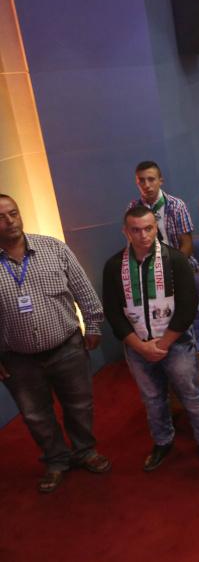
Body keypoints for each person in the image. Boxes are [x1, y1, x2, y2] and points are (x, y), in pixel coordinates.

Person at [0, 194, 110, 493]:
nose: (10, 221)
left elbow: (83, 289)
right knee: (36, 415)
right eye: (1, 217)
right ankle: (56, 460)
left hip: (66, 347)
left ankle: (85, 450)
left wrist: (93, 324)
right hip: (17, 359)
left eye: (13, 213)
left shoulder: (53, 248)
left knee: (80, 404)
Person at [102, 206, 199, 470]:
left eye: (148, 228)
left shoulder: (175, 260)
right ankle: (163, 441)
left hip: (175, 343)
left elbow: (188, 307)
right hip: (137, 347)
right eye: (136, 230)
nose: (143, 235)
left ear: (156, 228)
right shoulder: (114, 266)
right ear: (125, 232)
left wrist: (163, 344)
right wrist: (140, 347)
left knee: (191, 394)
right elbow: (113, 311)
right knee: (152, 399)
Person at [128, 160, 195, 258]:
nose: (146, 185)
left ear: (160, 181)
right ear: (137, 183)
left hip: (176, 260)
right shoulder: (133, 208)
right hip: (146, 261)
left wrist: (175, 265)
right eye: (141, 181)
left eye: (151, 179)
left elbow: (187, 244)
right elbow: (132, 243)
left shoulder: (177, 206)